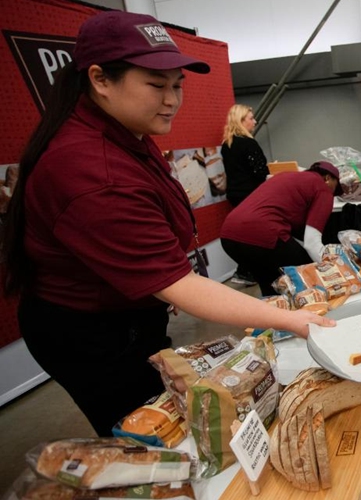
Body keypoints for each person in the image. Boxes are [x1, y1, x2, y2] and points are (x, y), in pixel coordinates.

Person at [0, 11, 333, 437]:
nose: (172, 100)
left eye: (177, 85)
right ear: (100, 80)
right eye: (157, 86)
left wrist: (155, 280)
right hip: (89, 331)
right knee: (147, 431)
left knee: (167, 412)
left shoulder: (128, 134)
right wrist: (292, 319)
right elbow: (179, 283)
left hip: (128, 309)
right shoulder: (89, 170)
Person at [220, 161, 342, 296]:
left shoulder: (285, 177)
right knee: (308, 275)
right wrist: (335, 272)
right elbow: (311, 243)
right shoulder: (323, 187)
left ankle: (273, 313)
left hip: (228, 235)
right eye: (335, 188)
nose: (333, 193)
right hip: (263, 234)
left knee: (270, 284)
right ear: (328, 178)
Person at [220, 104, 269, 286]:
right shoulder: (249, 143)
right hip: (251, 195)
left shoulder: (227, 144)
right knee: (255, 234)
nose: (255, 121)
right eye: (251, 118)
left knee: (246, 232)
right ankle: (246, 271)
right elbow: (260, 172)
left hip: (235, 194)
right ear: (241, 121)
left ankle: (245, 271)